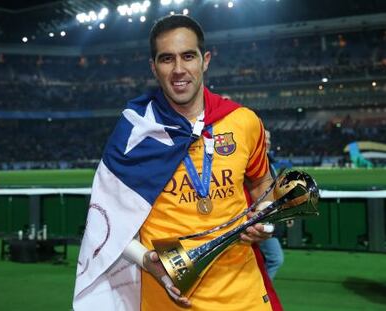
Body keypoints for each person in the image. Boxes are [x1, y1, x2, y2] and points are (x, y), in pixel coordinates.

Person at [73, 15, 282, 311]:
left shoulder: (244, 121)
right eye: (166, 59)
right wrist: (146, 260)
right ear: (153, 67)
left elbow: (263, 183)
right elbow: (106, 219)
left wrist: (265, 221)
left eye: (188, 56)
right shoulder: (134, 133)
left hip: (244, 294)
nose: (179, 69)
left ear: (205, 60)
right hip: (169, 295)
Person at [259, 130, 284, 281]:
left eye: (269, 139)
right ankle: (262, 294)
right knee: (275, 259)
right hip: (261, 219)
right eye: (264, 138)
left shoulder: (269, 162)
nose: (267, 142)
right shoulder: (259, 163)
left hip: (270, 218)